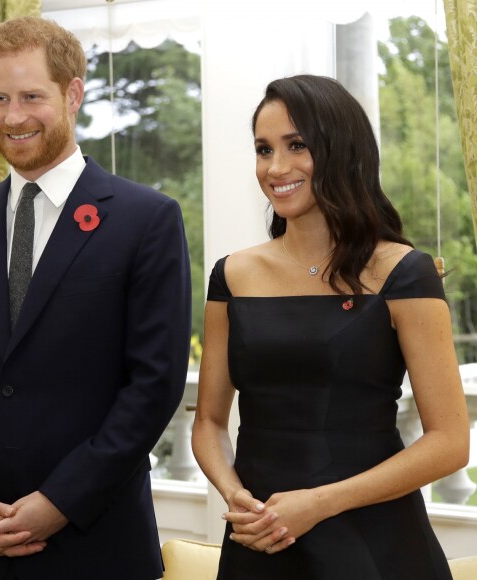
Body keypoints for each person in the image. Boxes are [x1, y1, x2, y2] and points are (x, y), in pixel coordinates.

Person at [0, 16, 191, 580]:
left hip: (99, 547)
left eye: (32, 96)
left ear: (73, 94)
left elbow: (154, 384)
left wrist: (60, 502)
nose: (13, 116)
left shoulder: (147, 220)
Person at [191, 74, 468, 579]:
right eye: (263, 149)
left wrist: (319, 503)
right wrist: (237, 498)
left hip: (374, 544)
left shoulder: (403, 272)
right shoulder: (232, 275)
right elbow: (209, 422)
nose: (276, 168)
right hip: (261, 541)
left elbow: (449, 441)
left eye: (297, 146)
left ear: (342, 151)